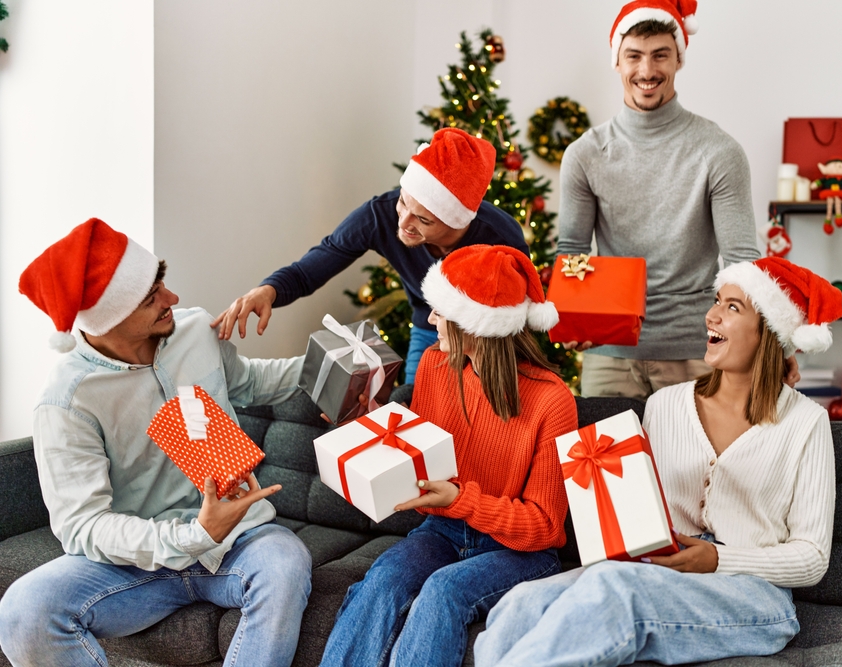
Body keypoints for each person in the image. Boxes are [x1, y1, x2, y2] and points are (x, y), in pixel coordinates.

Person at [475, 257, 842, 667]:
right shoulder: (665, 405)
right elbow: (639, 518)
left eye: (733, 307)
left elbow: (812, 558)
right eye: (717, 301)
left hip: (754, 594)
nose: (712, 315)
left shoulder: (807, 422)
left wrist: (718, 558)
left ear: (769, 335)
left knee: (618, 589)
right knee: (522, 602)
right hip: (656, 573)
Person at [0, 219, 312, 667]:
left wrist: (330, 370)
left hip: (239, 542)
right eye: (151, 298)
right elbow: (82, 525)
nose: (173, 299)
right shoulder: (67, 402)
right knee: (24, 610)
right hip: (134, 562)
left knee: (284, 563)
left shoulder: (193, 330)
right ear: (109, 320)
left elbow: (248, 382)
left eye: (161, 282)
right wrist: (193, 535)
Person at [320, 245, 577, 667]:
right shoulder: (435, 367)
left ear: (475, 323)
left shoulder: (552, 401)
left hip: (518, 551)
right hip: (442, 531)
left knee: (443, 592)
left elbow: (546, 527)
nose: (430, 320)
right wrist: (361, 419)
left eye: (441, 311)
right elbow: (417, 456)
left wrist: (460, 500)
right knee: (384, 580)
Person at [213, 128, 531, 383]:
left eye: (423, 219)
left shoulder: (500, 236)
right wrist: (268, 290)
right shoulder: (378, 216)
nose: (403, 223)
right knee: (418, 411)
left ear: (456, 221)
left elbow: (521, 311)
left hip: (489, 339)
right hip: (427, 328)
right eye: (403, 203)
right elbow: (311, 268)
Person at [558, 0, 760, 398]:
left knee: (697, 463)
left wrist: (773, 343)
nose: (647, 71)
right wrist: (575, 322)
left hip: (696, 351)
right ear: (617, 60)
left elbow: (742, 264)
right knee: (605, 461)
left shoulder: (718, 151)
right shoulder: (585, 154)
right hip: (609, 354)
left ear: (678, 60)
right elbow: (573, 251)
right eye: (633, 56)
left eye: (660, 55)